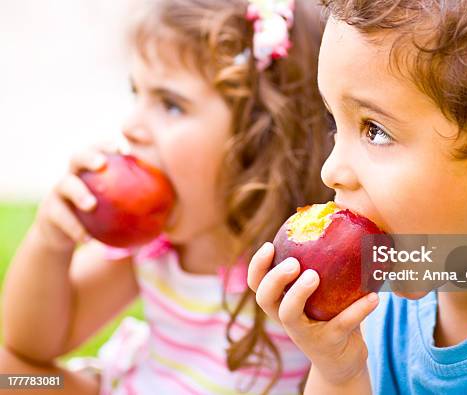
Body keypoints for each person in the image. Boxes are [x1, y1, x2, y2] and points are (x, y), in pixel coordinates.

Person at [248, 0, 467, 394]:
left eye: (375, 130)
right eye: (335, 124)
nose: (331, 169)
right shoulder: (379, 307)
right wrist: (339, 370)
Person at [1, 0, 332, 394]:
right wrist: (49, 241)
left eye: (170, 105)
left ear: (262, 140)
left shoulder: (312, 257)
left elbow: (420, 261)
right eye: (136, 92)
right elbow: (31, 343)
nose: (131, 125)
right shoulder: (154, 243)